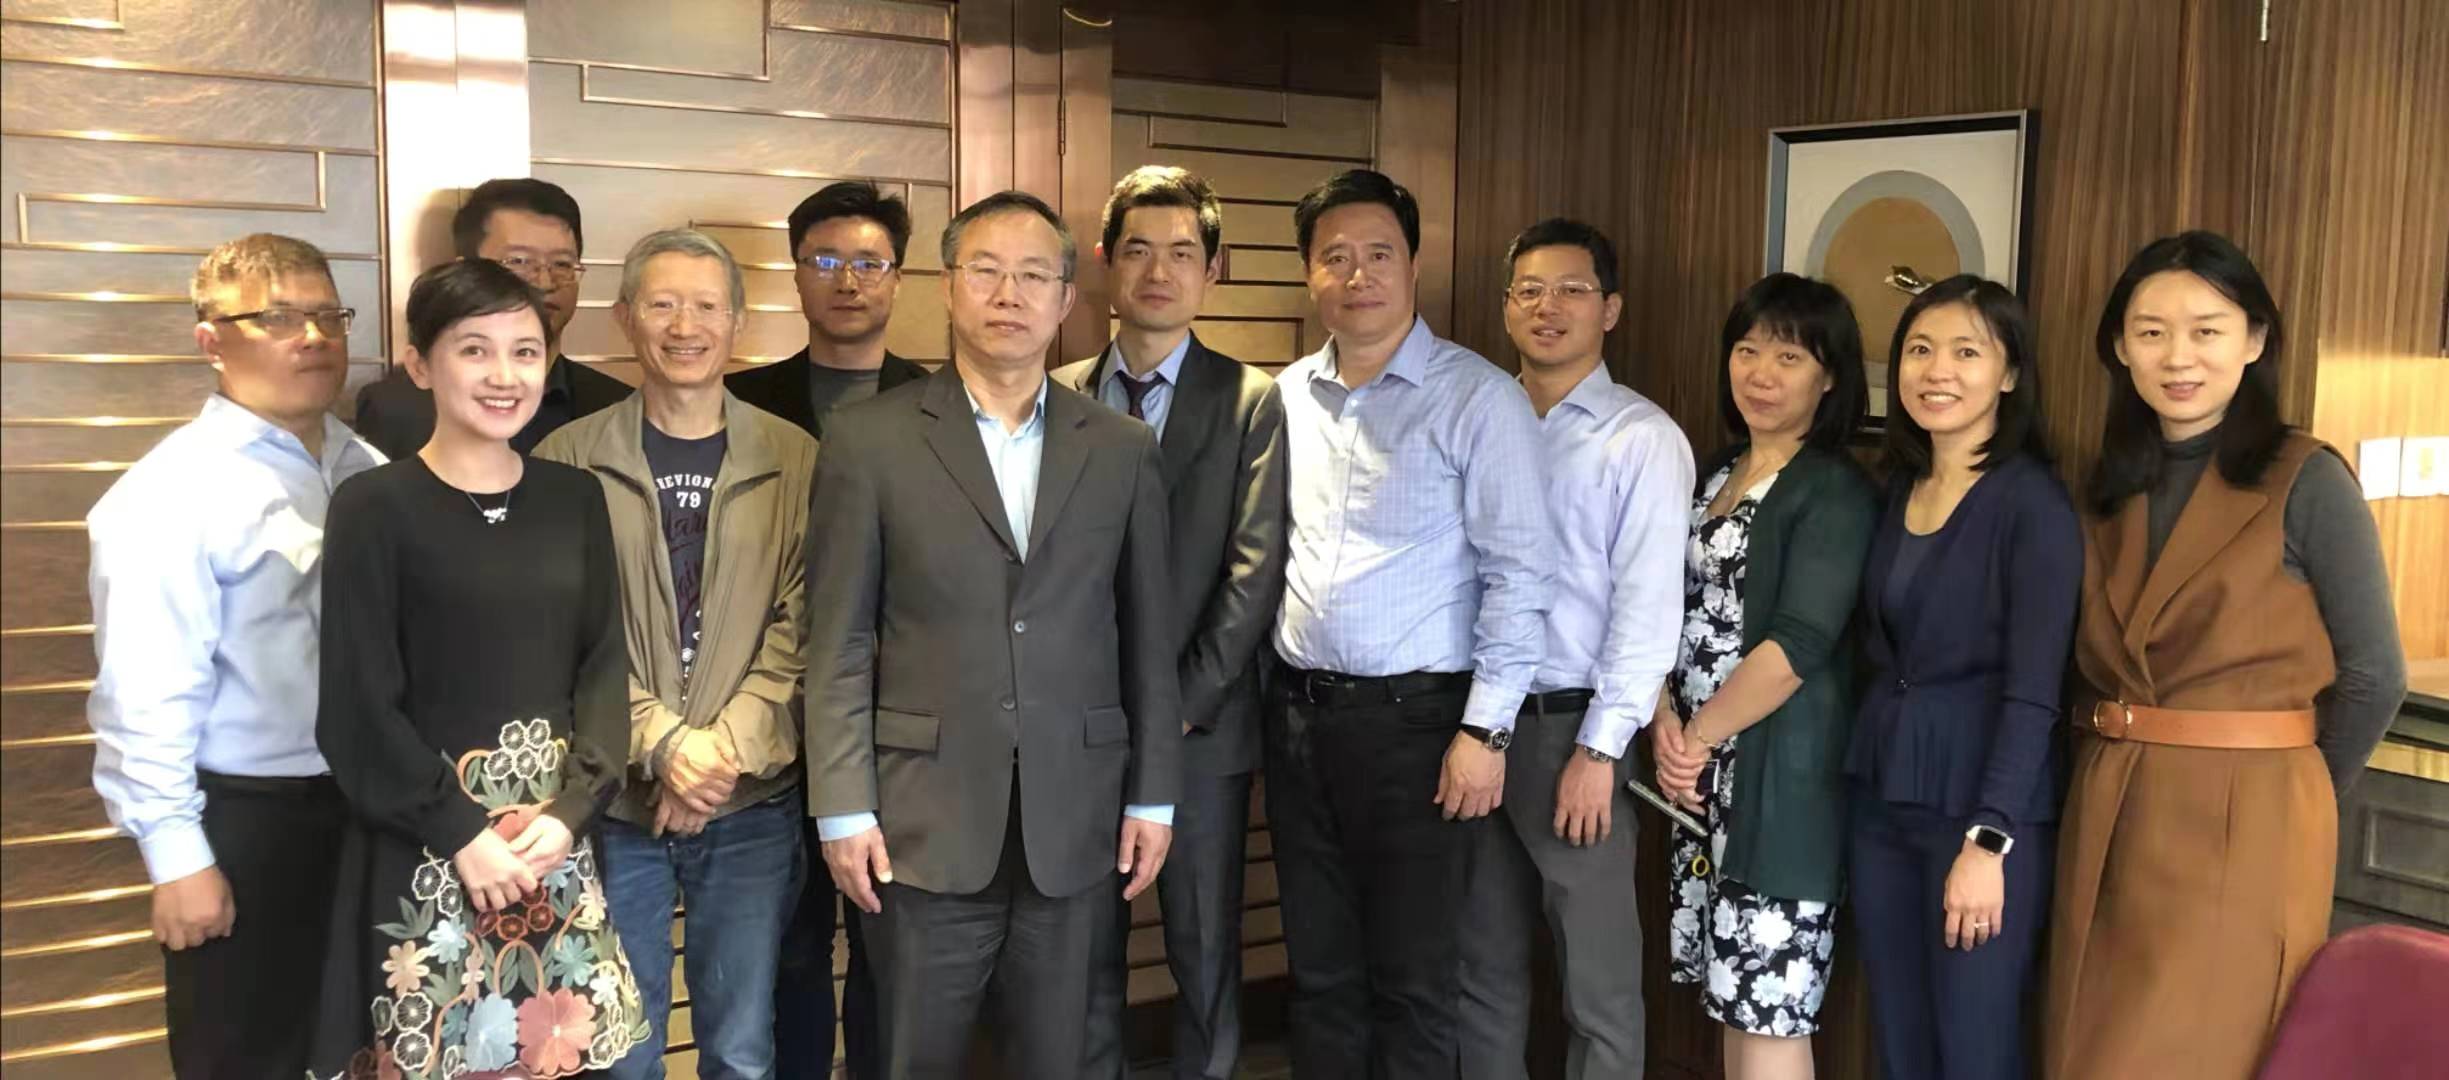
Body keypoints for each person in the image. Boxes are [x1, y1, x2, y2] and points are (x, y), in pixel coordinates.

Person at [802, 190, 1182, 1079]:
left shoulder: (1121, 447)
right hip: (918, 821)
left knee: (1059, 1059)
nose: (1008, 294)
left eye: (1033, 275)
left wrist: (1153, 797)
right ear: (948, 286)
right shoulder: (868, 440)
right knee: (911, 1058)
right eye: (985, 271)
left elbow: (1147, 638)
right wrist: (842, 807)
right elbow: (839, 639)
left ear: (1064, 299)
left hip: (1077, 818)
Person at [2043, 231, 2406, 1080]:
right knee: (2083, 1045)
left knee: (2199, 1052)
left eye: (2206, 330)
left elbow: (2374, 674)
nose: (2178, 356)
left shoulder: (2306, 479)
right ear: (2118, 347)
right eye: (2151, 331)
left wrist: (2291, 787)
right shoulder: (2104, 484)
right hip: (2108, 803)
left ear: (2254, 340)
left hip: (2249, 817)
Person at [309, 259, 646, 1079]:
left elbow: (604, 669)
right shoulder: (372, 506)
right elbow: (357, 706)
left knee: (555, 1058)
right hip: (426, 847)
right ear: (420, 364)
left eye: (525, 352)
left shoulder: (575, 498)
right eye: (474, 350)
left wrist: (571, 814)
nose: (504, 375)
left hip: (550, 846)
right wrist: (462, 835)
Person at [1267, 168, 1554, 1078]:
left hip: (1420, 729)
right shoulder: (1284, 397)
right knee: (1319, 974)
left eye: (1379, 254)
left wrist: (1485, 731)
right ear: (1308, 273)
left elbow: (1519, 575)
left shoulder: (1477, 398)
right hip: (1297, 718)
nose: (1358, 275)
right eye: (1335, 257)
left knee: (1414, 981)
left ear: (1414, 265)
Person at [84, 233, 381, 1080]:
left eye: (328, 315)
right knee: (250, 1053)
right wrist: (178, 857)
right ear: (211, 340)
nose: (313, 337)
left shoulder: (368, 468)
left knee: (369, 1047)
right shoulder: (170, 492)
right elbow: (145, 693)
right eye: (278, 317)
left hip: (370, 811)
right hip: (251, 820)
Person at [536, 229, 818, 1079]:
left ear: (737, 322)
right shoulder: (567, 459)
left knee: (741, 1046)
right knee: (620, 1049)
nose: (684, 326)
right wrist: (662, 746)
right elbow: (561, 636)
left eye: (705, 306)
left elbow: (806, 626)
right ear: (625, 317)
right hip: (614, 807)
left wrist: (718, 755)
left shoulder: (796, 458)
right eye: (661, 304)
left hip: (751, 805)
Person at [1059, 165, 1289, 1080]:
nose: (1159, 272)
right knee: (1084, 954)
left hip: (1201, 730)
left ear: (1213, 269)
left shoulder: (1252, 400)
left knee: (1202, 949)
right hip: (1076, 728)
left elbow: (1252, 574)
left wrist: (1179, 708)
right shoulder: (1057, 392)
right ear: (1106, 262)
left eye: (1182, 253)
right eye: (1138, 250)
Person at [1458, 218, 1692, 1080]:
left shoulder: (1640, 438)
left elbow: (1646, 613)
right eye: (1528, 290)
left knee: (1596, 985)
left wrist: (1599, 751)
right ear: (1505, 306)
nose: (1546, 307)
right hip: (1469, 726)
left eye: (1571, 290)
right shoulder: (1473, 416)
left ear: (1610, 309)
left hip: (1572, 732)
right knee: (1478, 969)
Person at [1845, 275, 2079, 1080]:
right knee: (1900, 1041)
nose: (1935, 370)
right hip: (1882, 799)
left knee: (1973, 1045)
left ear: (2008, 374)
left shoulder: (2032, 506)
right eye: (1918, 349)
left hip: (1980, 814)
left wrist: (1989, 840)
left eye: (1965, 352)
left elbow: (2035, 692)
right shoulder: (1899, 487)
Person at [1652, 272, 1875, 1079]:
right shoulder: (1717, 472)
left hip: (1777, 782)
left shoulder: (1834, 489)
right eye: (1747, 351)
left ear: (1829, 376)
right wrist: (1663, 718)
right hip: (1699, 772)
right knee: (1731, 995)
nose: (1761, 374)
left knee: (1770, 1005)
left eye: (1788, 357)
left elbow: (1797, 645)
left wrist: (1696, 738)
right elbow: (1662, 602)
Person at [728, 181, 927, 1080]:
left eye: (870, 263)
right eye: (826, 261)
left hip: (903, 727)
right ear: (796, 273)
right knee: (789, 953)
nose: (848, 281)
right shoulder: (738, 400)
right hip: (770, 723)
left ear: (899, 278)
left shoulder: (943, 399)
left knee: (892, 955)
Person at [355, 177, 628, 458]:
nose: (545, 282)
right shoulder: (393, 408)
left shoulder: (615, 407)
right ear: (467, 271)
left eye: (562, 264)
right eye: (519, 261)